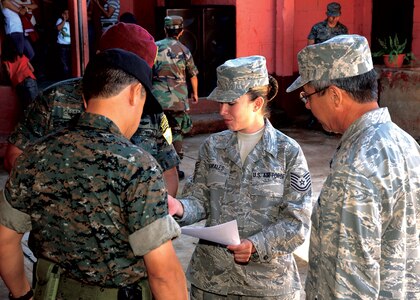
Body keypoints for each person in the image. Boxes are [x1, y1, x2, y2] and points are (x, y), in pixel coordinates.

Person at [0, 48, 188, 300]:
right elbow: (164, 274)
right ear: (135, 93)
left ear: (86, 100)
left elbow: (5, 241)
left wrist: (23, 295)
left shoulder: (34, 155)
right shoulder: (137, 166)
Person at [286, 34, 420, 299]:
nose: (308, 104)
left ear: (335, 96)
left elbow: (348, 283)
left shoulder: (355, 166)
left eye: (308, 95)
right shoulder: (405, 143)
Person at [168, 55, 313, 299]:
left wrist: (256, 245)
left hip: (266, 285)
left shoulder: (287, 152)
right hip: (213, 282)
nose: (222, 110)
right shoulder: (212, 146)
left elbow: (297, 223)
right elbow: (200, 200)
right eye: (221, 102)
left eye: (231, 103)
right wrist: (180, 207)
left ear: (257, 103)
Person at [4, 22, 181, 197]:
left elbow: (169, 172)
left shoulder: (152, 111)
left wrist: (156, 211)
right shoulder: (54, 99)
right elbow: (15, 155)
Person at [153, 15, 199, 180]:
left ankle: (158, 167)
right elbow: (193, 75)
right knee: (176, 132)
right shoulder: (184, 50)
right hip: (178, 100)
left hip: (157, 100)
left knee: (158, 131)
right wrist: (195, 94)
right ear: (181, 32)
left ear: (165, 30)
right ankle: (175, 167)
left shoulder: (155, 48)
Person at [1, 35, 38, 113]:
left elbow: (7, 72)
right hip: (29, 79)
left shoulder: (5, 60)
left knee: (26, 108)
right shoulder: (21, 56)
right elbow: (32, 69)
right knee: (36, 106)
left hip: (18, 84)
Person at [55, 7, 71, 79]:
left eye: (68, 13)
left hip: (70, 45)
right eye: (65, 13)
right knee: (64, 63)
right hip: (62, 45)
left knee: (70, 62)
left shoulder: (72, 21)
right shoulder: (60, 20)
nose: (67, 15)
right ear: (62, 14)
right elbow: (58, 28)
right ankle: (65, 78)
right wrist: (64, 20)